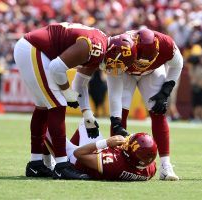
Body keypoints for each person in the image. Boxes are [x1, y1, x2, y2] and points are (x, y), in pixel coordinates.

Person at [13, 22, 137, 179]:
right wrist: (66, 90)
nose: (115, 68)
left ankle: (36, 164)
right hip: (33, 49)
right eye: (117, 63)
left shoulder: (101, 47)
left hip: (33, 49)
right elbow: (57, 68)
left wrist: (87, 114)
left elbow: (80, 82)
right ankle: (61, 165)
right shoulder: (96, 47)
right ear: (114, 52)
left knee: (43, 106)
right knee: (58, 104)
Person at [106, 28, 183, 181]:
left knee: (158, 111)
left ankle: (166, 165)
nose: (142, 64)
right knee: (120, 115)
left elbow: (178, 64)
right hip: (125, 72)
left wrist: (166, 92)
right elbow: (114, 90)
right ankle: (115, 160)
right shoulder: (121, 46)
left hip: (152, 73)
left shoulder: (166, 44)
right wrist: (115, 120)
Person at [45, 121, 157, 181]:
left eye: (128, 144)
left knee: (46, 127)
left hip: (79, 161)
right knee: (88, 122)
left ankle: (52, 161)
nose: (126, 142)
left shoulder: (113, 163)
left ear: (129, 155)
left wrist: (106, 143)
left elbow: (78, 154)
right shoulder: (149, 168)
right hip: (99, 156)